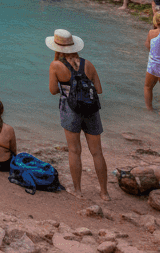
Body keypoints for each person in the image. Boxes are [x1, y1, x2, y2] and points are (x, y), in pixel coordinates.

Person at [46, 28, 109, 200]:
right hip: (91, 110)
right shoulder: (88, 64)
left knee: (74, 151)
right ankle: (104, 193)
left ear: (57, 48)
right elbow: (99, 90)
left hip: (70, 111)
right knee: (97, 152)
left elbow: (52, 90)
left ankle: (78, 191)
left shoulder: (55, 65)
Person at [145, 12, 160, 114]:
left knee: (148, 87)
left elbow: (148, 46)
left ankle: (149, 109)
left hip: (152, 66)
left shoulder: (151, 33)